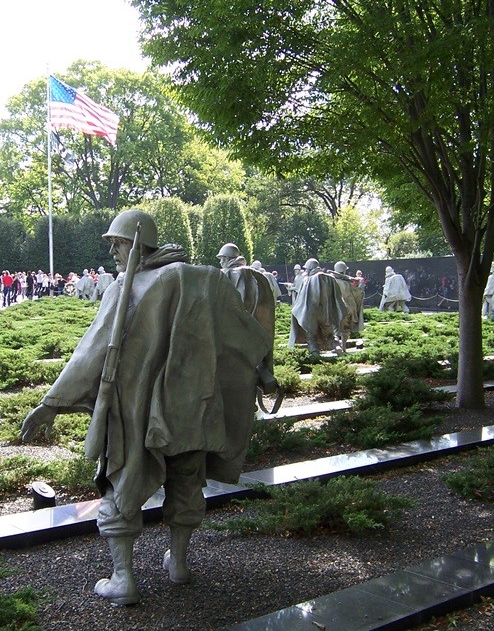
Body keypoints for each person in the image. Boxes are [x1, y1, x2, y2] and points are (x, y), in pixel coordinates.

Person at [20, 209, 270, 606]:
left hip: (136, 411)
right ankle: (179, 564)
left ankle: (124, 579)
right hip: (193, 409)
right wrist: (264, 373)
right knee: (187, 482)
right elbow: (246, 334)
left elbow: (93, 350)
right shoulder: (205, 278)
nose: (113, 253)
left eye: (116, 244)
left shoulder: (128, 286)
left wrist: (52, 403)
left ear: (134, 242)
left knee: (121, 485)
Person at [217, 243, 277, 378]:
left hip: (234, 344)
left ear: (228, 259)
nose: (221, 263)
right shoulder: (259, 276)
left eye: (222, 259)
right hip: (258, 339)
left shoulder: (225, 275)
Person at [289, 258, 346, 354]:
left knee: (310, 336)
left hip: (311, 314)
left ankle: (315, 355)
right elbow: (337, 298)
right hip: (326, 313)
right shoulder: (331, 279)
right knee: (330, 335)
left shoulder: (307, 280)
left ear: (310, 268)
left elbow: (301, 300)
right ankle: (338, 349)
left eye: (307, 269)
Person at [330, 261, 365, 351]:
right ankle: (343, 346)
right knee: (345, 328)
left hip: (335, 309)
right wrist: (361, 285)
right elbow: (357, 293)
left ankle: (337, 346)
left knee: (335, 328)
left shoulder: (331, 282)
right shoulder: (346, 283)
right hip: (348, 309)